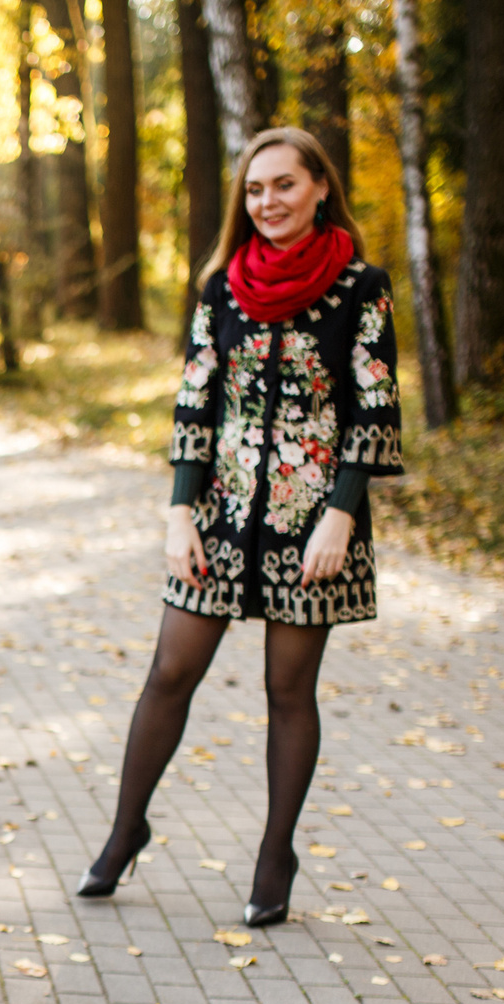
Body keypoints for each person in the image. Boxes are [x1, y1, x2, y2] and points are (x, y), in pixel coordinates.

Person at [77, 126, 402, 927]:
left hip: (312, 521)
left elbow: (373, 407)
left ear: (320, 186)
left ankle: (275, 851)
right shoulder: (222, 286)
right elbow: (196, 400)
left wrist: (341, 517)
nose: (268, 203)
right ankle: (125, 830)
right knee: (169, 670)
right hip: (218, 516)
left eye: (284, 186)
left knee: (288, 689)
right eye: (255, 191)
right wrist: (180, 512)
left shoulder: (362, 286)